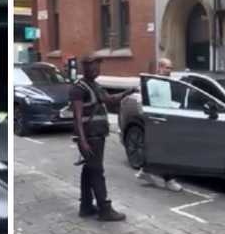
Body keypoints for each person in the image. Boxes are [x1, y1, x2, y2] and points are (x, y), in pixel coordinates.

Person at [72, 56, 135, 221]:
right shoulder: (79, 89)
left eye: (97, 67)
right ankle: (104, 209)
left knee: (89, 170)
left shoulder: (96, 86)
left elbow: (109, 99)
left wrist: (127, 92)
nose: (95, 70)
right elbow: (77, 118)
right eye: (92, 67)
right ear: (85, 68)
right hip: (90, 138)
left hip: (98, 136)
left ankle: (85, 206)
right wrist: (83, 141)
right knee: (97, 172)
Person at [136, 58, 184, 192]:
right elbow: (143, 99)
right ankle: (169, 180)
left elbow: (164, 101)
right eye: (167, 68)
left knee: (160, 150)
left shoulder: (167, 83)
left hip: (166, 120)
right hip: (156, 121)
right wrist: (147, 115)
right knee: (167, 150)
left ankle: (145, 171)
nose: (169, 71)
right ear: (160, 68)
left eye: (171, 68)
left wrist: (175, 107)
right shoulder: (153, 82)